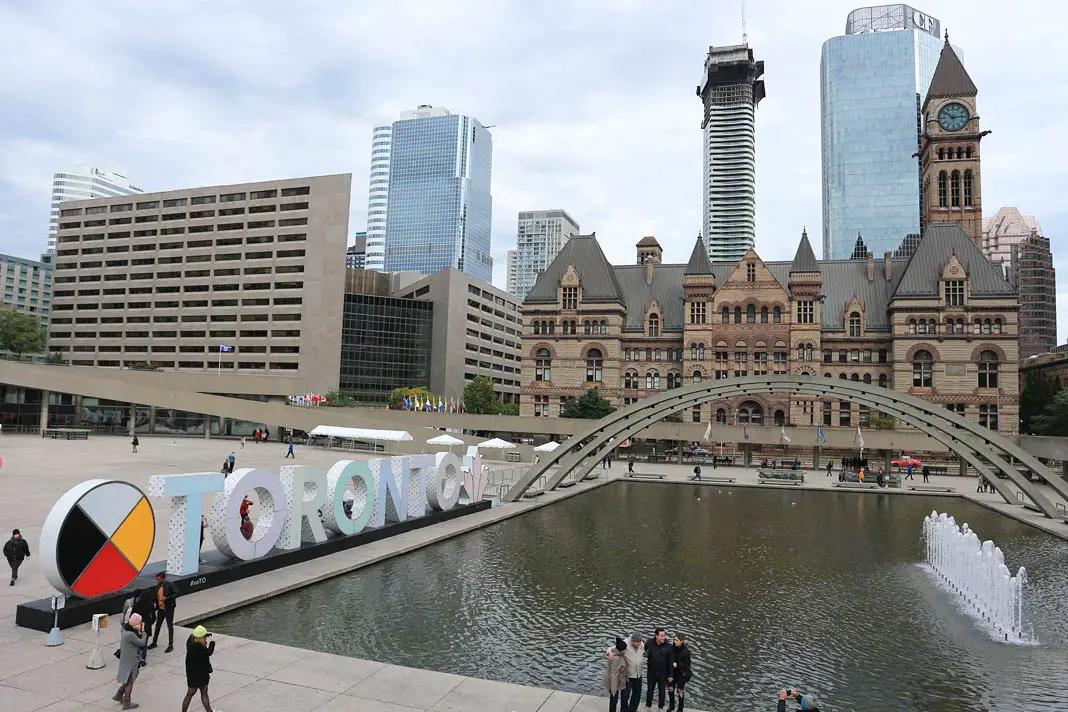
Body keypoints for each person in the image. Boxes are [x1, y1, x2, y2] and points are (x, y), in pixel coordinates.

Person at [114, 612, 148, 709]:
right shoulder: (130, 635)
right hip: (131, 662)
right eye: (140, 622)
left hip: (126, 660)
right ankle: (127, 702)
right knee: (130, 682)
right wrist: (144, 632)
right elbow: (141, 643)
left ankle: (119, 694)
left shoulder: (126, 630)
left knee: (127, 679)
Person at [182, 625, 217, 712]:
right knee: (204, 694)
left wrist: (206, 634)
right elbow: (209, 652)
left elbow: (196, 635)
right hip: (202, 674)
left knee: (189, 695)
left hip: (192, 675)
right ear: (201, 637)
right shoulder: (199, 647)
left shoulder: (190, 642)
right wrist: (212, 642)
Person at [645, 627, 673, 711]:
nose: (663, 637)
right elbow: (640, 649)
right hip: (651, 672)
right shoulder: (649, 643)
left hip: (663, 673)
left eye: (664, 635)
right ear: (656, 636)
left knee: (662, 691)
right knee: (650, 690)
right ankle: (648, 706)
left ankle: (661, 707)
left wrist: (671, 675)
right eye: (661, 636)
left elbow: (671, 662)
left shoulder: (669, 646)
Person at [149, 571, 177, 653]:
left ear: (163, 578)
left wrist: (167, 598)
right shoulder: (157, 587)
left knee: (170, 626)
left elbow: (177, 593)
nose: (157, 581)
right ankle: (154, 642)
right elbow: (155, 598)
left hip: (169, 608)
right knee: (157, 626)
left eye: (158, 579)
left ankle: (170, 645)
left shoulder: (170, 585)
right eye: (156, 580)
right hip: (161, 609)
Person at [621, 632, 645, 712]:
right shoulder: (625, 643)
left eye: (639, 642)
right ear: (632, 641)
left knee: (637, 694)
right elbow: (612, 649)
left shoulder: (642, 644)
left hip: (638, 674)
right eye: (636, 642)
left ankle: (633, 709)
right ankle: (624, 710)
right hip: (628, 675)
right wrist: (609, 653)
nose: (638, 644)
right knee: (625, 694)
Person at [667, 633, 691, 712]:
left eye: (677, 640)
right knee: (670, 689)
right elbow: (670, 661)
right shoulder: (672, 648)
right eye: (674, 640)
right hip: (673, 673)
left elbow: (687, 666)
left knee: (680, 691)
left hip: (681, 674)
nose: (675, 641)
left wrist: (677, 665)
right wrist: (670, 674)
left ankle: (680, 709)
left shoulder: (686, 652)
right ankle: (672, 706)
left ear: (682, 641)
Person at [604, 637, 628, 712]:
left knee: (613, 700)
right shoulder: (616, 659)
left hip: (616, 681)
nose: (625, 650)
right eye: (624, 649)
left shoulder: (615, 653)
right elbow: (614, 675)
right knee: (614, 699)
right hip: (614, 683)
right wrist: (614, 690)